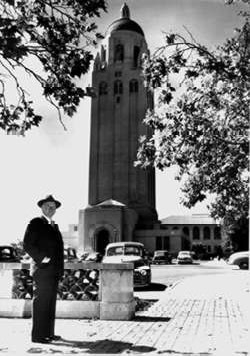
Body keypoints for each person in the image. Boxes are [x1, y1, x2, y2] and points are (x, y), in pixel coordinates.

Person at [23, 195, 64, 344]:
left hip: (53, 271)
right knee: (41, 303)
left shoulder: (54, 226)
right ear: (41, 207)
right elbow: (27, 244)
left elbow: (59, 250)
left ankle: (49, 333)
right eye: (47, 206)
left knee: (50, 303)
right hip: (42, 270)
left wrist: (60, 269)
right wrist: (42, 258)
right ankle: (38, 336)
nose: (50, 209)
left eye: (53, 207)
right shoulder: (36, 223)